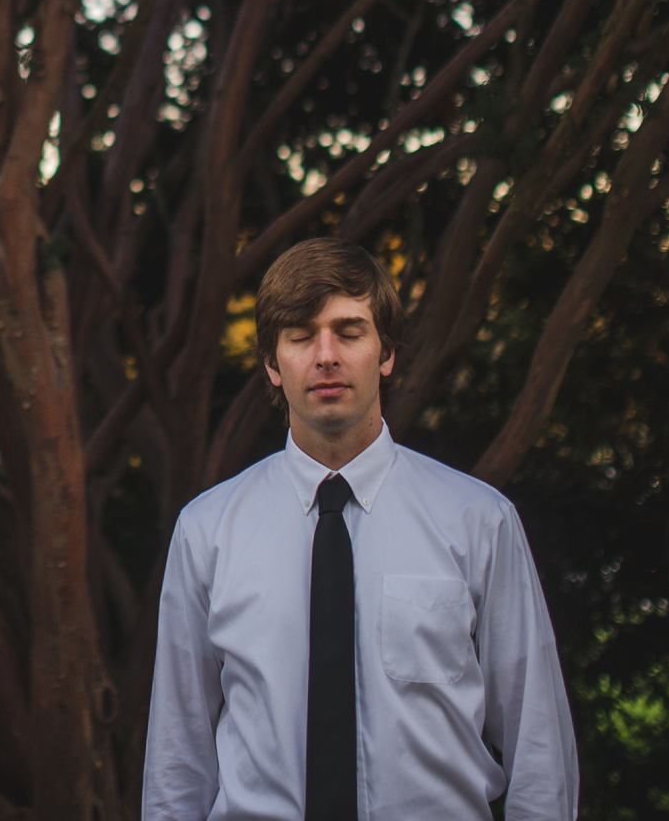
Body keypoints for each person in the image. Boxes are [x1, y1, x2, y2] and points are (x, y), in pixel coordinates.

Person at [142, 239, 578, 821]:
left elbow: (539, 743)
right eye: (300, 335)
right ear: (273, 364)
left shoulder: (478, 520)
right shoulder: (207, 531)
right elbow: (178, 757)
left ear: (386, 353)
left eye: (349, 332)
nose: (326, 355)